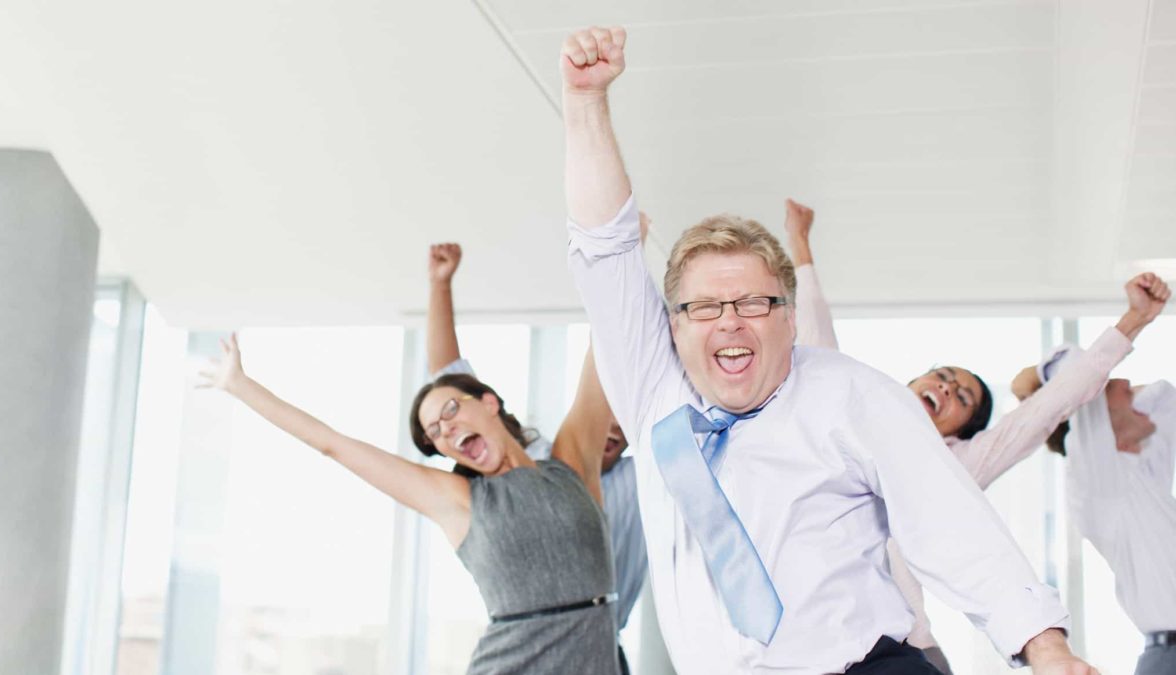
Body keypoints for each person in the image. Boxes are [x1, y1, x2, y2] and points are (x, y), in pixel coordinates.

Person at [560, 25, 1096, 674]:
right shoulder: (655, 394)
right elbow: (606, 250)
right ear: (673, 324)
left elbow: (949, 519)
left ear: (790, 317)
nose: (730, 321)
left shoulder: (853, 393)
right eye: (706, 306)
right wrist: (587, 104)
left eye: (755, 302)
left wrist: (1045, 644)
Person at [784, 199, 1169, 673]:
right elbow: (818, 346)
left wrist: (1135, 319)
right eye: (941, 375)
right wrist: (800, 245)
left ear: (958, 432)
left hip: (903, 649)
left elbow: (1049, 406)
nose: (946, 386)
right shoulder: (849, 422)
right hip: (813, 646)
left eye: (961, 396)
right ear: (912, 384)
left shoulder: (955, 464)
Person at [199, 331, 622, 674]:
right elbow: (333, 445)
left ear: (490, 403)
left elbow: (600, 352)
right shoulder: (460, 500)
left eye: (451, 409)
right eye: (435, 432)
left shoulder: (571, 465)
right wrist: (240, 385)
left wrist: (615, 250)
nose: (446, 428)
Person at [424, 241, 647, 672]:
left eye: (623, 424)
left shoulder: (643, 483)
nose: (612, 430)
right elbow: (449, 386)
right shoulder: (531, 464)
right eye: (607, 418)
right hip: (535, 643)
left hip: (601, 644)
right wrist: (440, 285)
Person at [1014, 283, 1173, 675]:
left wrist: (1122, 398)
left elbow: (1166, 396)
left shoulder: (1142, 479)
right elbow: (1072, 366)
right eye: (1122, 391)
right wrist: (1035, 381)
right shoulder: (1098, 483)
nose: (1133, 389)